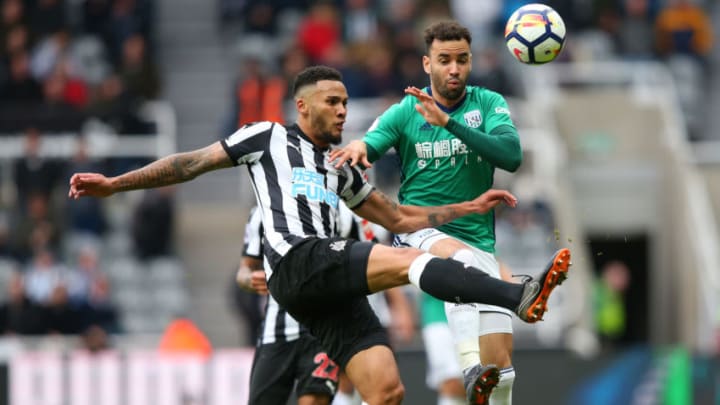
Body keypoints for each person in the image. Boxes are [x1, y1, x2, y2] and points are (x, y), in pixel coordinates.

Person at [68, 65, 571, 404]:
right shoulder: (267, 137)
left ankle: (516, 295)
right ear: (302, 107)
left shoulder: (341, 169)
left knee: (387, 391)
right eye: (332, 102)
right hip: (297, 260)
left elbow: (397, 218)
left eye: (346, 102)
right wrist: (115, 184)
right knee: (407, 263)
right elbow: (189, 163)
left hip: (324, 292)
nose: (343, 111)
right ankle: (518, 295)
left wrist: (466, 206)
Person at [330, 21, 558, 404]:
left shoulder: (489, 104)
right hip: (420, 234)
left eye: (462, 60)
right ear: (426, 63)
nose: (454, 68)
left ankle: (482, 373)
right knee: (461, 263)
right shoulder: (406, 111)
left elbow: (512, 156)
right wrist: (358, 149)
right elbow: (369, 143)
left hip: (480, 239)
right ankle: (468, 366)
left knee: (501, 370)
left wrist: (449, 123)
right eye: (444, 60)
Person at [236, 203, 416, 405]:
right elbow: (244, 269)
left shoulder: (347, 211)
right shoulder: (263, 212)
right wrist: (249, 279)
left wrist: (398, 307)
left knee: (315, 400)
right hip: (276, 329)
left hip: (324, 327)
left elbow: (376, 262)